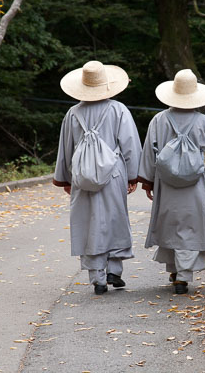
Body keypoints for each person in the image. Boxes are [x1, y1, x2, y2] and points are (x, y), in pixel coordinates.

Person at [53, 60, 142, 295]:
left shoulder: (73, 113)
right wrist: (133, 175)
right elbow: (130, 144)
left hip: (82, 175)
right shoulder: (118, 109)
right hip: (113, 173)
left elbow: (66, 149)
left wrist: (66, 179)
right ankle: (115, 269)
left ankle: (97, 277)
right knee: (114, 217)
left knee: (89, 221)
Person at [137, 69, 205, 294]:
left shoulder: (159, 119)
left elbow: (149, 151)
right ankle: (184, 276)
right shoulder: (200, 121)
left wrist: (148, 182)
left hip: (166, 183)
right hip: (194, 184)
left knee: (171, 224)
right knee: (191, 225)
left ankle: (175, 269)